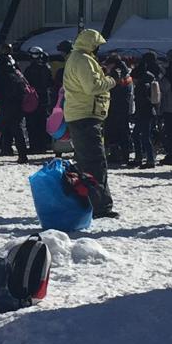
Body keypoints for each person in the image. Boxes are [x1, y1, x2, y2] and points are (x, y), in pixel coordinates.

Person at [62, 29, 117, 217]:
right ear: (91, 44)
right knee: (95, 162)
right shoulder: (83, 60)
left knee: (86, 162)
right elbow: (92, 87)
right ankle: (101, 207)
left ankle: (88, 203)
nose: (99, 48)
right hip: (86, 115)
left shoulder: (75, 57)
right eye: (98, 45)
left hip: (80, 115)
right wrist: (112, 79)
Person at [0, 54, 30, 164]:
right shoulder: (17, 75)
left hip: (3, 108)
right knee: (18, 132)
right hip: (17, 108)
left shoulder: (1, 76)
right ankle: (23, 155)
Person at [132, 51, 162, 169]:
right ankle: (143, 158)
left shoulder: (143, 85)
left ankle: (149, 160)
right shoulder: (150, 78)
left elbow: (142, 100)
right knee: (139, 136)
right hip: (148, 112)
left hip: (144, 113)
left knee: (144, 136)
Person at [104, 55, 133, 168]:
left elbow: (112, 88)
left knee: (115, 131)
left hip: (116, 106)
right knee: (124, 131)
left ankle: (117, 155)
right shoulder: (126, 72)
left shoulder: (116, 73)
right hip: (124, 106)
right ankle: (124, 154)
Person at [22, 46, 53, 151]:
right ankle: (43, 145)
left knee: (32, 124)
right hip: (44, 100)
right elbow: (50, 83)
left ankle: (34, 146)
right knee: (42, 123)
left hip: (32, 101)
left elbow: (26, 85)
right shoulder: (46, 68)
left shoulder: (29, 70)